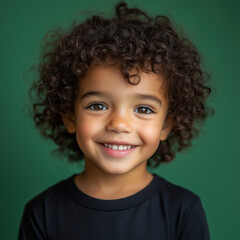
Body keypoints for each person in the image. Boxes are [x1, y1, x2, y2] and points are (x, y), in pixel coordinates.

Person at [19, 1, 212, 239]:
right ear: (70, 116)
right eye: (98, 106)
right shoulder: (42, 213)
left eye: (143, 108)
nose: (119, 124)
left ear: (166, 125)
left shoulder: (183, 211)